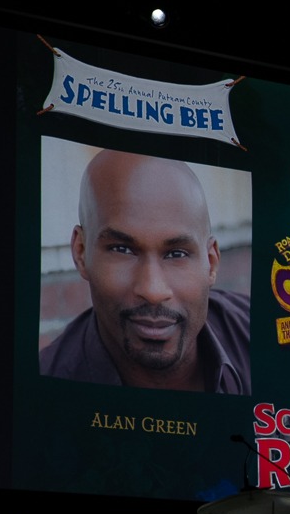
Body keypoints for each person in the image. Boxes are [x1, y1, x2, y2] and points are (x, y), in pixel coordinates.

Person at [39, 149, 251, 393]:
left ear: (211, 263)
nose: (153, 290)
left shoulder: (268, 340)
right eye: (122, 249)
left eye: (177, 254)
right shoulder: (41, 391)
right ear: (81, 252)